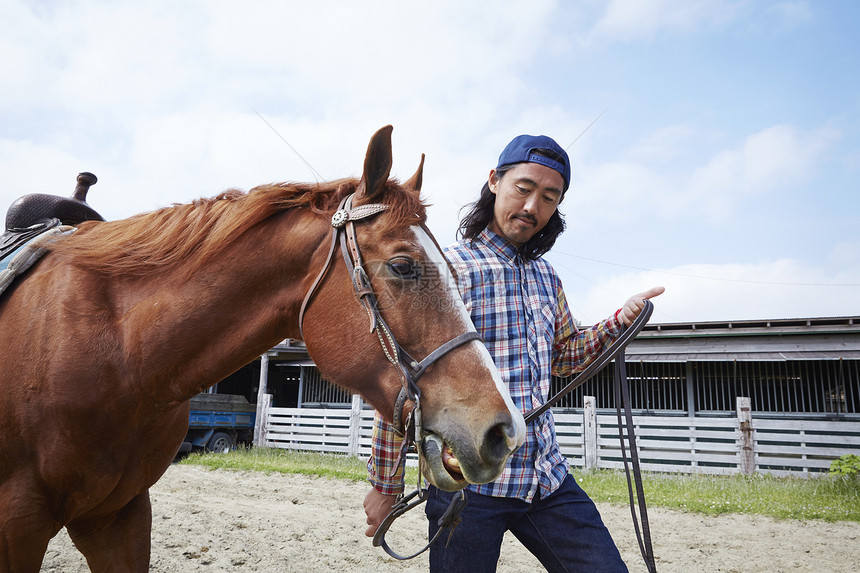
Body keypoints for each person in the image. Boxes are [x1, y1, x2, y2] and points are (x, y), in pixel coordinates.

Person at [363, 133, 665, 573]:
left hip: (546, 478)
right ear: (494, 182)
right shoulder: (448, 271)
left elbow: (564, 356)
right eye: (523, 189)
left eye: (549, 197)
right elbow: (402, 380)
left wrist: (622, 319)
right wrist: (385, 482)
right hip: (467, 484)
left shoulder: (547, 277)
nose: (531, 207)